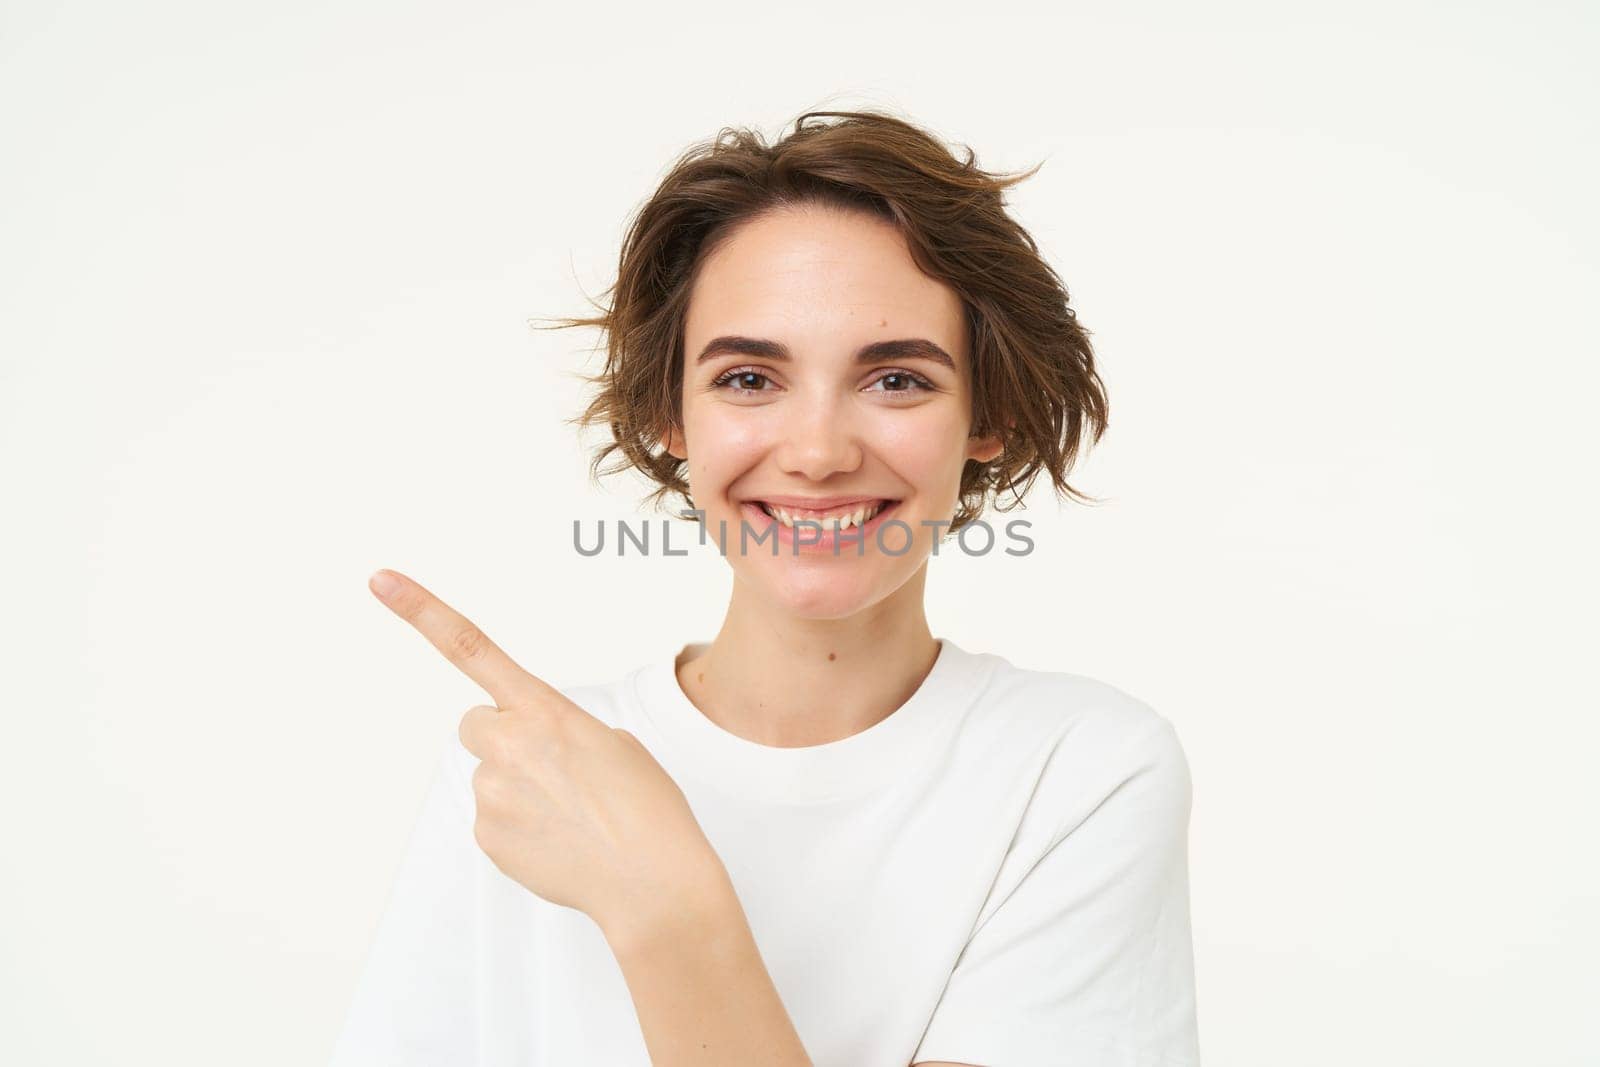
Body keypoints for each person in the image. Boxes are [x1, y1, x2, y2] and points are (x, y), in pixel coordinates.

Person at [329, 109, 1200, 1067]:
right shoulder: (525, 774)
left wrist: (665, 904)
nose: (820, 452)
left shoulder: (1079, 774)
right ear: (671, 412)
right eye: (748, 377)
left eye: (898, 380)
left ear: (985, 415)